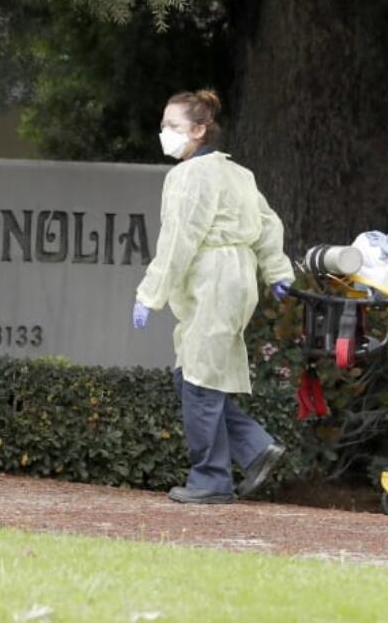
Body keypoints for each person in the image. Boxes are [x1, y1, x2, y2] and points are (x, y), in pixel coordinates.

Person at [132, 89, 295, 505]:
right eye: (163, 125)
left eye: (174, 126)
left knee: (199, 379)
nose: (164, 133)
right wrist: (275, 271)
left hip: (213, 279)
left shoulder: (188, 176)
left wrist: (150, 294)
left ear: (200, 130)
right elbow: (268, 223)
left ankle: (210, 478)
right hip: (237, 279)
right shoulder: (238, 174)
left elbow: (178, 240)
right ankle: (255, 448)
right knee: (194, 374)